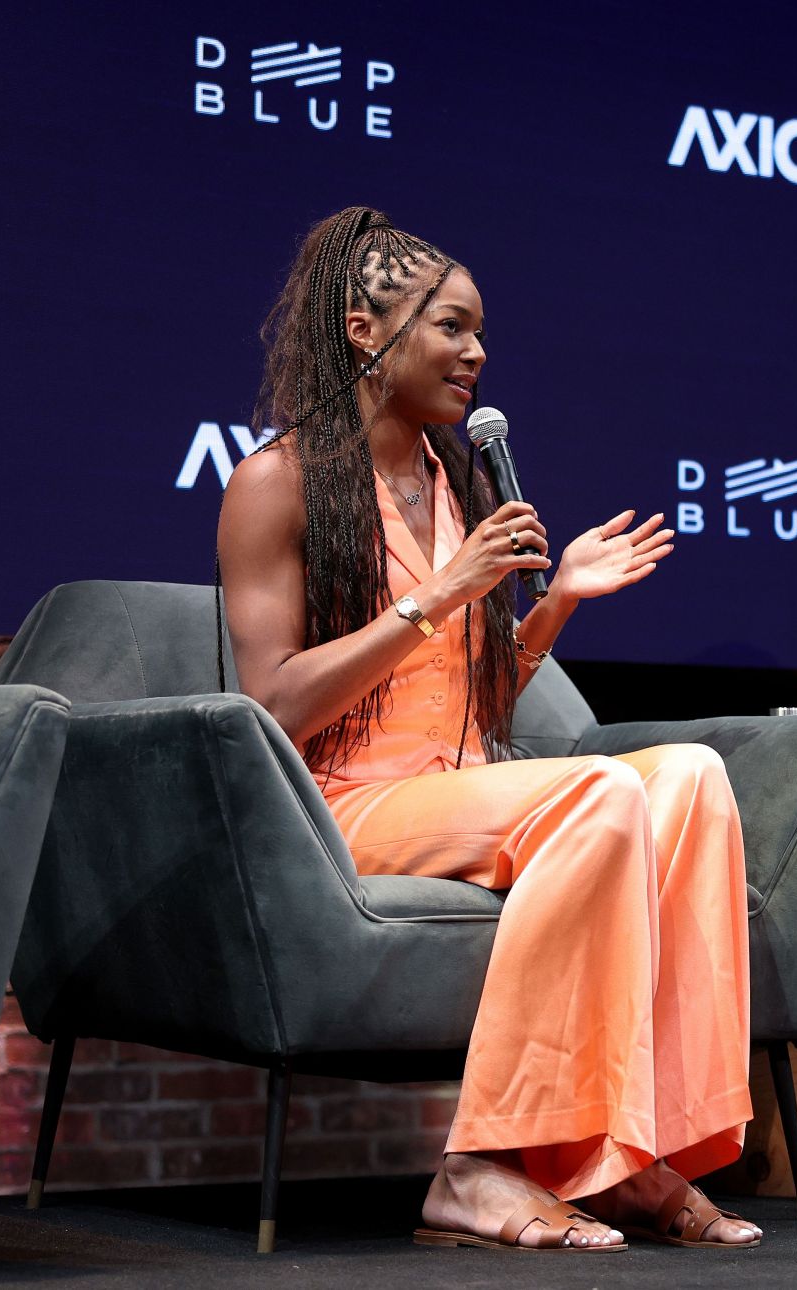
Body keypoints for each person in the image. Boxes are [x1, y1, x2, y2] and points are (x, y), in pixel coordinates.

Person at [216, 207, 762, 1253]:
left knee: (692, 775)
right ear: (365, 332)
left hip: (456, 781)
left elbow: (481, 711)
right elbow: (274, 708)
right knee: (597, 791)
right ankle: (482, 1167)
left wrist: (555, 604)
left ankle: (638, 1156)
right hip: (342, 802)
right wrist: (437, 595)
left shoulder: (457, 485)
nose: (478, 354)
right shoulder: (276, 483)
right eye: (452, 327)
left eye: (480, 332)